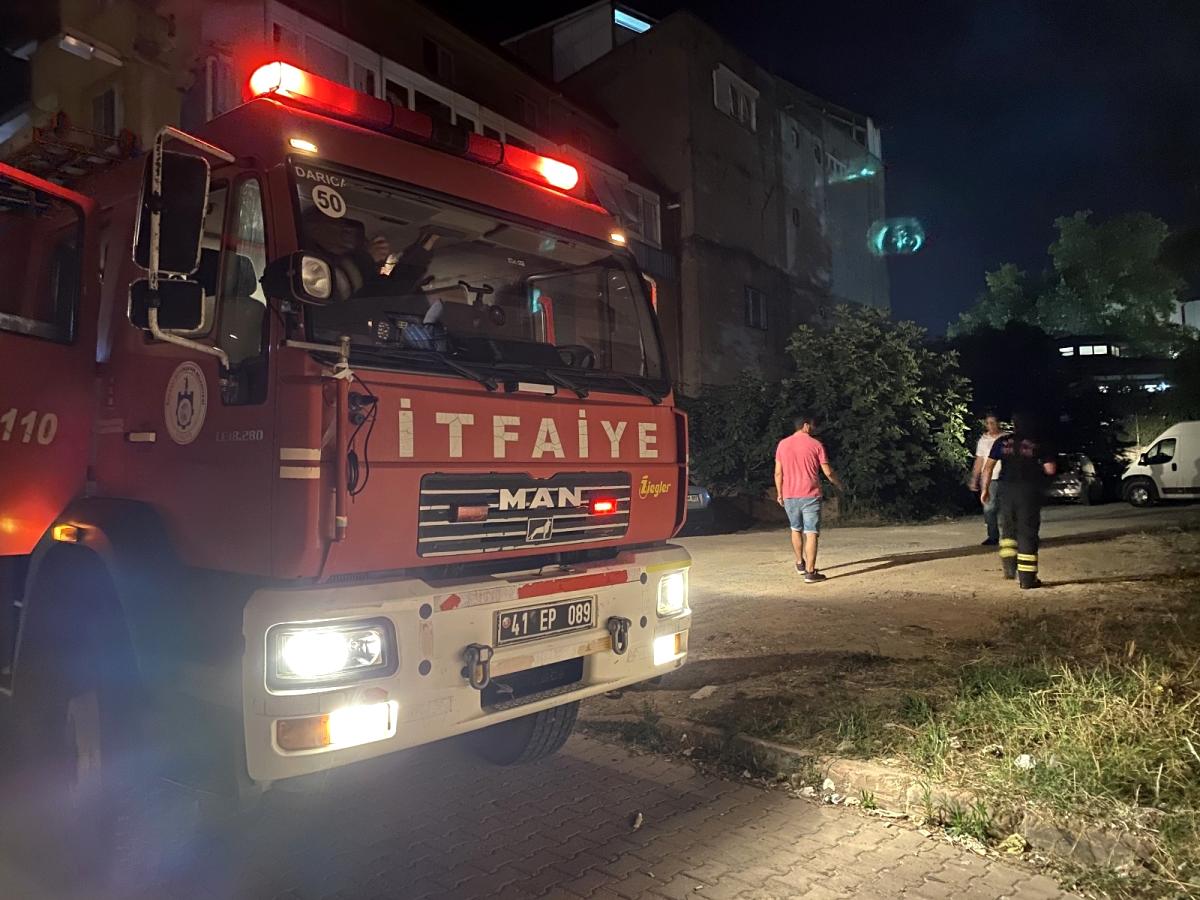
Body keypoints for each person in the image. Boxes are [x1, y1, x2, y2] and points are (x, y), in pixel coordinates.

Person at [980, 412, 1056, 589]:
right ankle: (1027, 580)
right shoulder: (1038, 442)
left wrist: (984, 489)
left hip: (1006, 491)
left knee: (1007, 531)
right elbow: (1050, 469)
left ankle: (1009, 570)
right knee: (1026, 533)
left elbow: (988, 467)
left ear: (1014, 424)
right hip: (1028, 491)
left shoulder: (1003, 441)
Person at [775, 414, 843, 583]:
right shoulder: (816, 444)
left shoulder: (782, 444)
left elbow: (778, 473)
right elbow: (828, 472)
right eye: (813, 425)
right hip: (810, 494)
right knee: (811, 532)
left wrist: (780, 493)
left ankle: (800, 564)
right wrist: (839, 484)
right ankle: (810, 572)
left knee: (795, 529)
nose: (814, 428)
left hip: (790, 494)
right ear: (806, 425)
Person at [970, 413, 1008, 545]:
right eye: (988, 423)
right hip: (990, 478)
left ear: (998, 423)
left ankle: (1010, 535)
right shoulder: (983, 440)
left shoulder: (1006, 438)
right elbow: (979, 461)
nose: (990, 426)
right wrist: (975, 479)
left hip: (1005, 477)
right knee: (989, 508)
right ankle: (993, 536)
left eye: (993, 423)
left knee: (1007, 507)